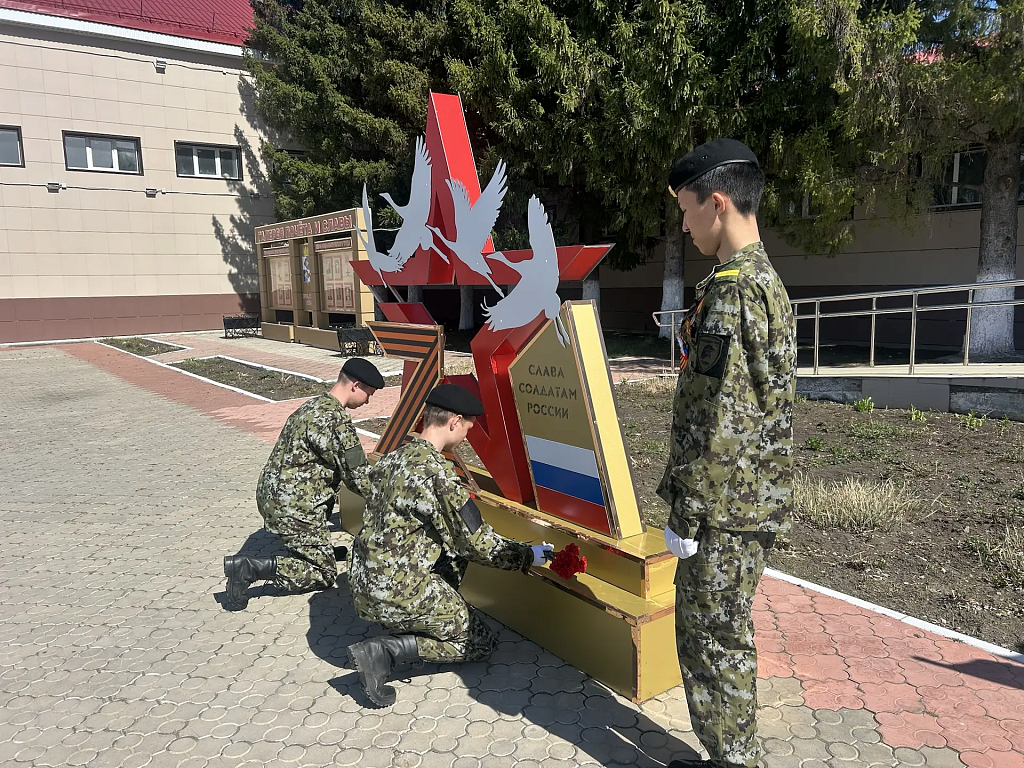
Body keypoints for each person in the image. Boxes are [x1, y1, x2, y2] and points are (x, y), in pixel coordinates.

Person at [657, 138, 797, 768]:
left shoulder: (735, 292)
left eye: (686, 210)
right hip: (747, 500)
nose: (684, 226)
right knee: (725, 635)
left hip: (722, 508)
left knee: (712, 641)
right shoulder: (765, 283)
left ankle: (735, 759)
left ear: (716, 203)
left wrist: (686, 514)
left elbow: (722, 418)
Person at [346, 383, 553, 707]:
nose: (467, 436)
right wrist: (528, 555)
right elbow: (477, 543)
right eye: (468, 428)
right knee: (479, 642)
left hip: (363, 581)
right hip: (396, 590)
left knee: (453, 558)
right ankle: (385, 651)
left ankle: (413, 620)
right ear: (455, 422)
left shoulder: (393, 458)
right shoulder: (437, 474)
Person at [223, 357, 386, 611]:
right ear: (355, 385)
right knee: (324, 573)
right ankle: (249, 568)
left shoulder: (312, 406)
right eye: (369, 394)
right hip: (294, 507)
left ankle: (317, 548)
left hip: (271, 496)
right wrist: (392, 497)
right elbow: (359, 478)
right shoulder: (336, 422)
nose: (368, 402)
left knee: (319, 534)